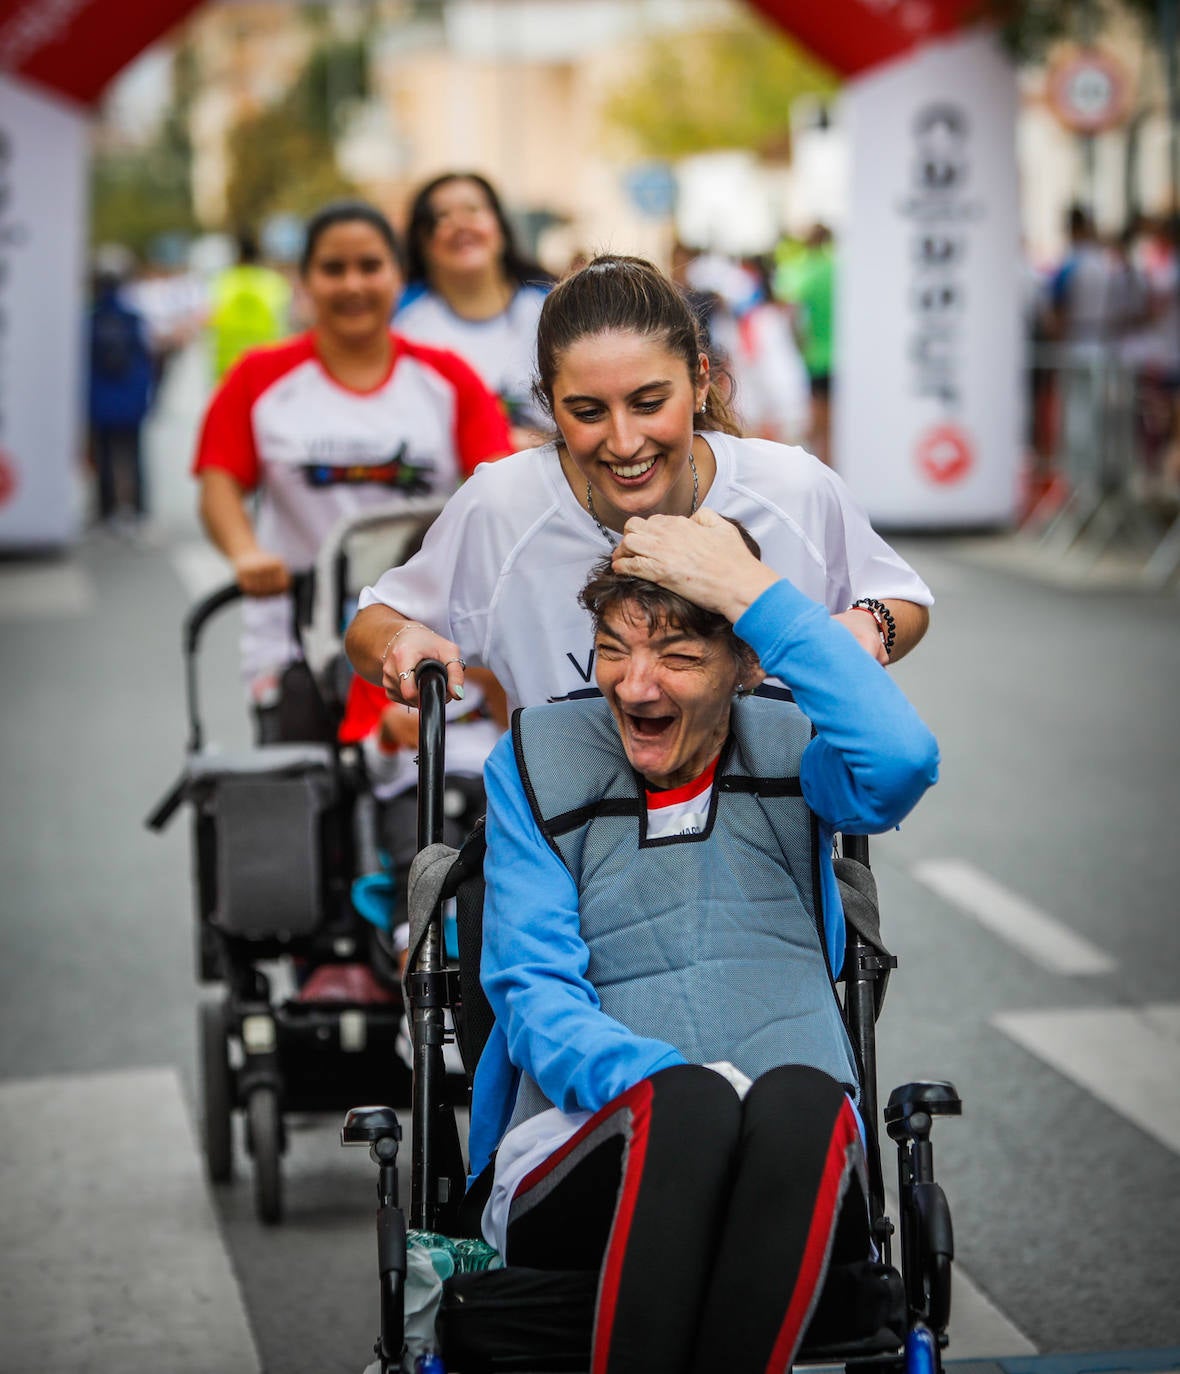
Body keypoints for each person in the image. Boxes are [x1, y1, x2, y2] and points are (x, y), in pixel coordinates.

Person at [465, 515, 940, 1373]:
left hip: (784, 1153)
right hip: (583, 1143)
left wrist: (762, 601)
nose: (636, 686)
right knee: (687, 1107)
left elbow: (902, 758)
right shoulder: (536, 756)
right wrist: (679, 1084)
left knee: (805, 1099)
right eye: (613, 649)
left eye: (679, 658)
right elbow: (532, 995)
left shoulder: (798, 751)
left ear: (746, 668)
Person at [345, 253, 932, 718]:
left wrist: (868, 623)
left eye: (650, 404)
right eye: (588, 412)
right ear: (549, 405)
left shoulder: (791, 488)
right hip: (568, 855)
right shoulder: (503, 505)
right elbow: (375, 620)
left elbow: (900, 598)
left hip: (766, 851)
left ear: (701, 381)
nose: (624, 443)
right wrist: (403, 640)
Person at [192, 199, 512, 738]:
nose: (353, 284)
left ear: (398, 274)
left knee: (442, 802)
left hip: (419, 634)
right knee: (308, 803)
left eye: (370, 265)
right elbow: (219, 481)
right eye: (333, 269)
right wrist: (246, 554)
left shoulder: (447, 378)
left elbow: (502, 484)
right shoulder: (259, 378)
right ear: (305, 280)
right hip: (295, 638)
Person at [395, 172, 554, 450]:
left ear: (501, 227)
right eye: (442, 216)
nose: (460, 224)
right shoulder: (402, 321)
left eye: (473, 209)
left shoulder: (552, 309)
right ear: (421, 241)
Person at [87, 246, 156, 534]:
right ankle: (138, 511)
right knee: (135, 455)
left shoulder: (89, 318)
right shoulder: (134, 318)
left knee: (103, 455)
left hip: (100, 400)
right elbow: (150, 356)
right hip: (130, 400)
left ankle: (106, 511)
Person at [774, 224, 836, 465]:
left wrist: (800, 346)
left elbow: (792, 314)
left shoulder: (805, 272)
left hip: (816, 356)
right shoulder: (839, 269)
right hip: (843, 357)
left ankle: (825, 467)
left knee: (820, 420)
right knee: (836, 421)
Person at [208, 228, 293, 380]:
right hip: (266, 364)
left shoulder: (222, 281)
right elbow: (286, 322)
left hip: (227, 366)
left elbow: (208, 320)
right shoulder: (273, 282)